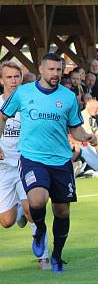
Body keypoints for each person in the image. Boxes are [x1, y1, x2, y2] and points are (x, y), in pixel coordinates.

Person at [0, 53, 97, 273]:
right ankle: (40, 231)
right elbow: (3, 117)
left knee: (62, 211)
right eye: (51, 69)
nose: (55, 74)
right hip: (32, 158)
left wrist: (87, 137)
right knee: (37, 200)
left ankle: (57, 256)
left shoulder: (68, 97)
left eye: (59, 70)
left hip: (61, 160)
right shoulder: (23, 93)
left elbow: (75, 128)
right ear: (41, 70)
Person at [0, 61, 50, 268]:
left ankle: (44, 257)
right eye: (9, 77)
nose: (13, 81)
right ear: (1, 80)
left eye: (16, 77)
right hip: (3, 168)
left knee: (34, 208)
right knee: (7, 221)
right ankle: (20, 212)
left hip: (26, 163)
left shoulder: (30, 102)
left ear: (21, 79)